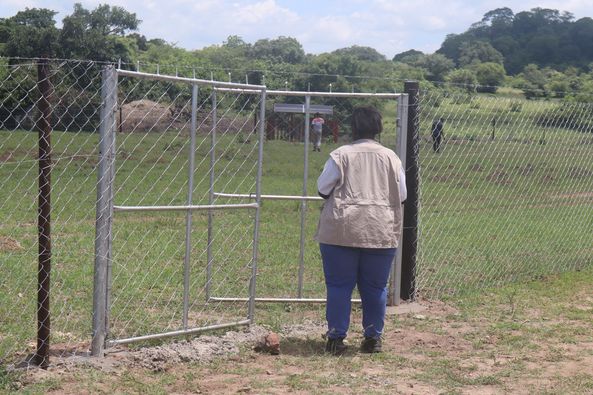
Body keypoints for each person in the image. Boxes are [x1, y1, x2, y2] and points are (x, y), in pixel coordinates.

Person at [315, 106, 407, 355]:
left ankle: (336, 338)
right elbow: (403, 195)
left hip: (341, 230)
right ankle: (372, 338)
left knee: (339, 286)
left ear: (352, 128)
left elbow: (323, 188)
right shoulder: (391, 157)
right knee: (376, 287)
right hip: (380, 229)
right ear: (378, 128)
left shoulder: (340, 155)